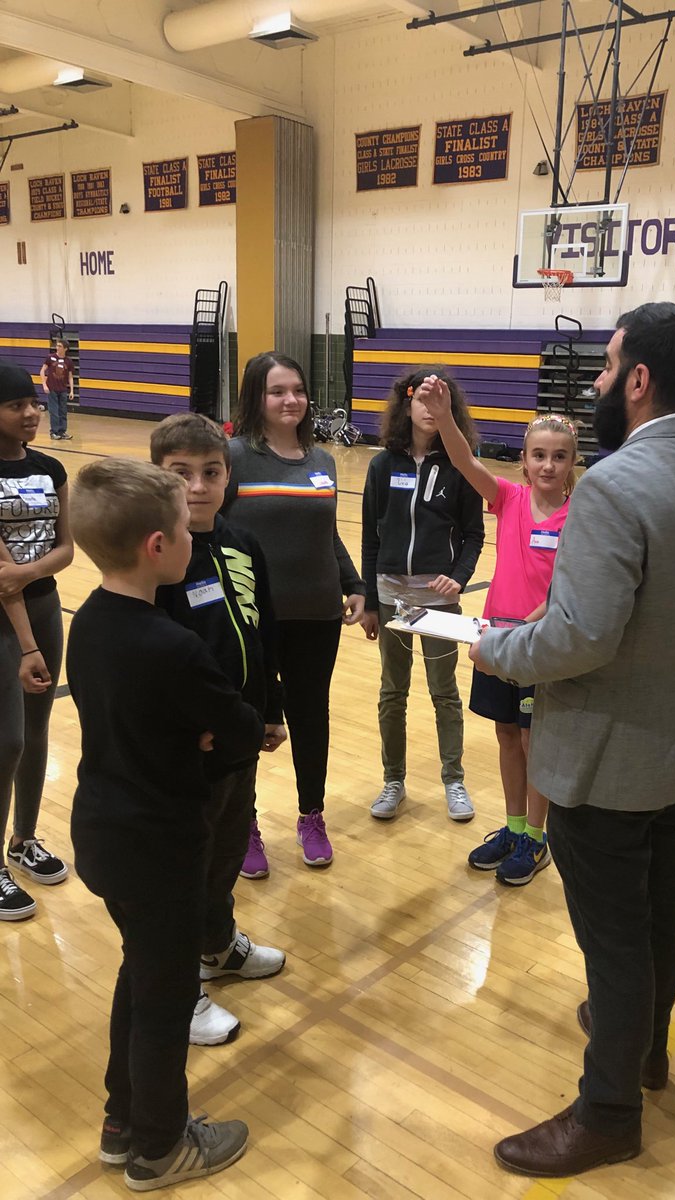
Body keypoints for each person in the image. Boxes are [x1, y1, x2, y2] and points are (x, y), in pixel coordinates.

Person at [468, 302, 675, 1176]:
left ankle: (607, 1114)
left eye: (604, 368)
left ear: (638, 379)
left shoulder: (615, 484)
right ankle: (646, 1049)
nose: (597, 383)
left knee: (614, 942)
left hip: (605, 755)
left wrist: (495, 647)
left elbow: (582, 638)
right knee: (659, 904)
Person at [68, 457, 263, 1190]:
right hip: (158, 845)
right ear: (158, 546)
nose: (192, 536)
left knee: (142, 974)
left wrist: (200, 730)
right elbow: (241, 728)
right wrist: (211, 733)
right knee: (166, 997)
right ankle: (159, 1147)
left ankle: (123, 1123)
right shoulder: (172, 645)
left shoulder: (89, 621)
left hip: (104, 832)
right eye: (184, 527)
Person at [150, 413, 286, 1046]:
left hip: (241, 737)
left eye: (211, 472)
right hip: (191, 750)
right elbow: (153, 660)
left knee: (228, 848)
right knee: (187, 866)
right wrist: (185, 728)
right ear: (159, 477)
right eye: (181, 474)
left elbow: (262, 634)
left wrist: (271, 708)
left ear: (229, 475)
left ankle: (217, 947)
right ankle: (180, 991)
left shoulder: (244, 543)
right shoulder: (156, 556)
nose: (198, 486)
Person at [422, 386, 579, 884]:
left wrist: (530, 626)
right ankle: (513, 828)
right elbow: (464, 460)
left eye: (559, 456)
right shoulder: (509, 498)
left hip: (538, 647)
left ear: (572, 462)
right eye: (539, 455)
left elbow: (569, 589)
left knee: (535, 742)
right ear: (525, 462)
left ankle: (536, 836)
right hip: (496, 641)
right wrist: (445, 418)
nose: (548, 465)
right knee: (507, 734)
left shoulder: (579, 516)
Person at [223, 351, 365, 870]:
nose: (291, 400)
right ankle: (244, 823)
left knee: (310, 717)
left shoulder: (322, 461)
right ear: (255, 397)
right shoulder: (233, 456)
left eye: (298, 390)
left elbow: (327, 534)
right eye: (278, 391)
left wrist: (353, 583)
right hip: (251, 619)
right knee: (250, 719)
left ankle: (312, 815)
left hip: (318, 614)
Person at [360, 367, 484, 822]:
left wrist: (459, 577)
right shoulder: (381, 466)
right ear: (406, 405)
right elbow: (370, 537)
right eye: (422, 401)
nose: (429, 410)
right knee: (393, 692)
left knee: (444, 692)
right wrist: (370, 600)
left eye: (438, 402)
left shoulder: (460, 465)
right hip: (391, 597)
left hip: (438, 602)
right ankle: (393, 780)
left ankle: (454, 780)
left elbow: (474, 533)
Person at [0, 360, 73, 922]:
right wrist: (27, 647)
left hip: (45, 606)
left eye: (33, 403)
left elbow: (66, 549)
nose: (31, 413)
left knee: (38, 727)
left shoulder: (51, 468)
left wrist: (27, 571)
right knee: (8, 740)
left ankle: (23, 840)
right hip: (7, 620)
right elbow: (0, 583)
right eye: (15, 405)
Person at [39, 338, 75, 441]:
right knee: (54, 412)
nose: (57, 348)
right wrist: (44, 385)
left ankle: (62, 431)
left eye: (60, 346)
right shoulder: (50, 358)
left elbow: (70, 377)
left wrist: (71, 390)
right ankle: (54, 432)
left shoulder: (68, 361)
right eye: (57, 346)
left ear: (65, 349)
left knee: (63, 411)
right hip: (52, 389)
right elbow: (42, 371)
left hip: (63, 389)